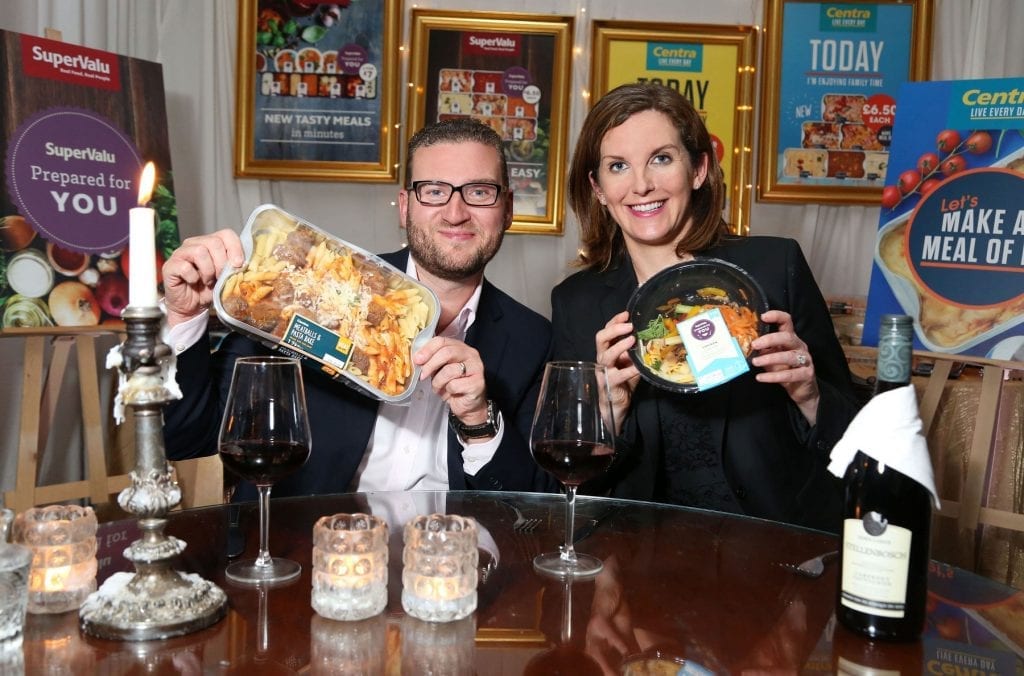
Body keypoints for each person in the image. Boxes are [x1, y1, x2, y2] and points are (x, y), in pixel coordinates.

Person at [161, 118, 556, 498]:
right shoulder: (307, 282)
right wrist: (185, 317)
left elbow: (533, 505)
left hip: (446, 541)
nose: (455, 213)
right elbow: (187, 438)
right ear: (405, 207)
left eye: (480, 192)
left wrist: (479, 420)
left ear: (507, 209)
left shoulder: (532, 339)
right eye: (434, 191)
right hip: (302, 537)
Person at [551, 83, 858, 531]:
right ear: (598, 188)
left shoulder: (774, 267)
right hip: (639, 547)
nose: (641, 185)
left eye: (661, 158)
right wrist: (610, 412)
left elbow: (858, 439)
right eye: (618, 166)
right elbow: (568, 480)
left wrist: (809, 395)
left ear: (698, 169)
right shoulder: (576, 302)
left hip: (772, 541)